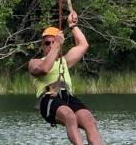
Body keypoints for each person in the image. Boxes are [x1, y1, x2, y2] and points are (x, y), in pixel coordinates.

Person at [28, 10, 102, 145]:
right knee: (69, 115)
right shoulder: (35, 62)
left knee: (88, 118)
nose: (50, 45)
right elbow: (44, 69)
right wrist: (57, 45)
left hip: (68, 97)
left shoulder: (64, 61)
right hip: (49, 98)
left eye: (53, 42)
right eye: (47, 43)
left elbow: (83, 45)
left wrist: (72, 25)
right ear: (43, 46)